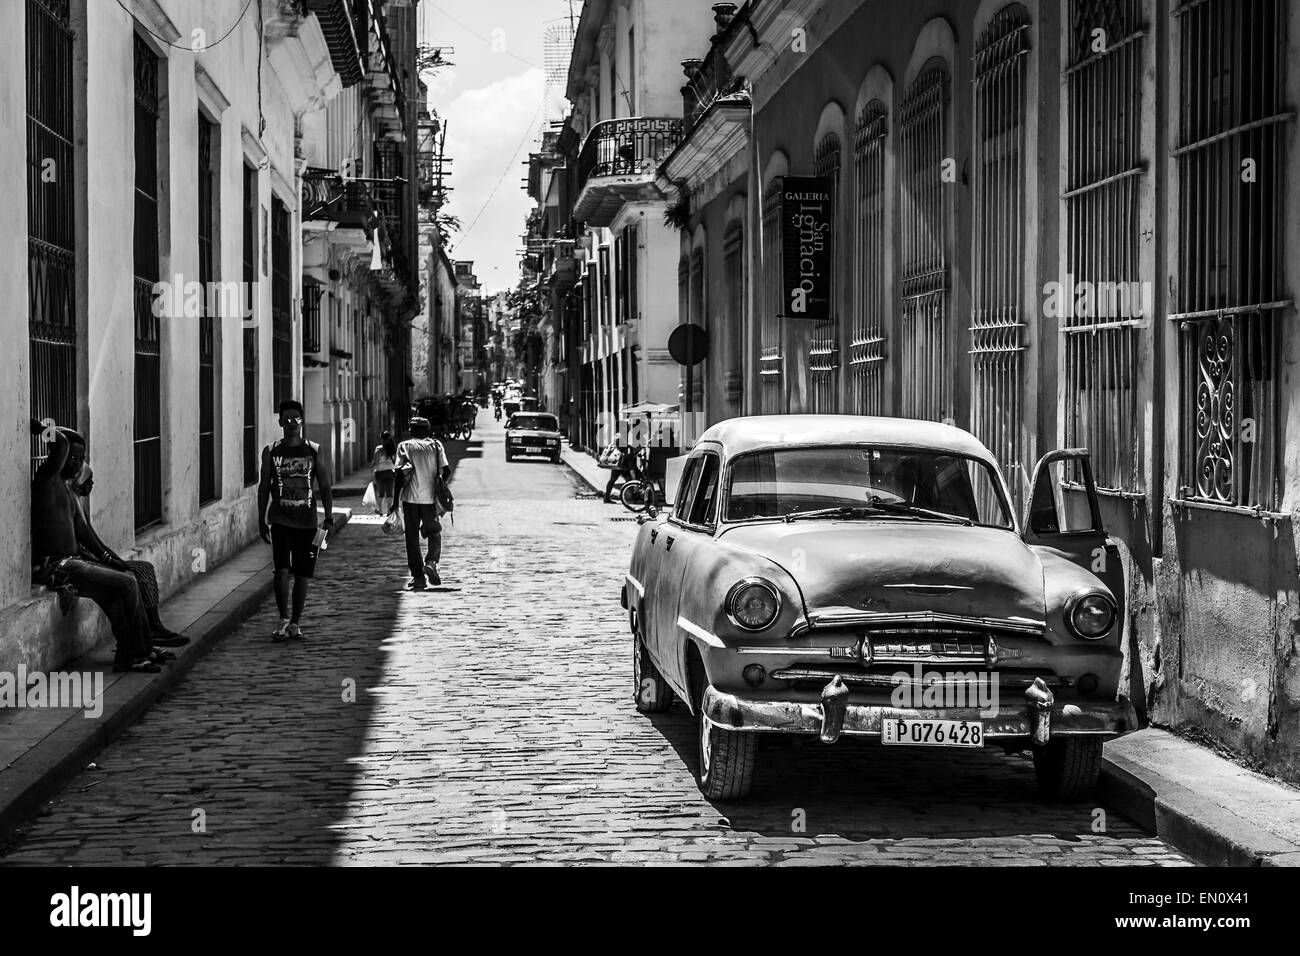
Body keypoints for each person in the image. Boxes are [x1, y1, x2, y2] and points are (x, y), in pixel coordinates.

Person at [29, 419, 165, 673]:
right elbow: (61, 442)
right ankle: (135, 655)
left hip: (75, 563)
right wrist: (36, 426)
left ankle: (138, 650)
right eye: (72, 459)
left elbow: (87, 535)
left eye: (81, 459)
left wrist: (114, 562)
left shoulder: (69, 492)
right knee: (127, 584)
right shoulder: (46, 480)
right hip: (58, 566)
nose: (77, 464)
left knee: (120, 590)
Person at [68, 462, 188, 647]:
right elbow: (90, 543)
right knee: (138, 573)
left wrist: (113, 558)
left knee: (144, 569)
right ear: (81, 481)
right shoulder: (72, 504)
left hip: (94, 559)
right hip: (86, 561)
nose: (92, 484)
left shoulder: (78, 503)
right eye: (89, 480)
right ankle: (150, 630)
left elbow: (96, 540)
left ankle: (153, 625)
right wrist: (111, 561)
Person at [257, 399, 333, 642]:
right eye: (287, 420)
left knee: (303, 574)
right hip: (280, 520)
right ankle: (282, 618)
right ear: (280, 422)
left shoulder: (313, 450)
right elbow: (263, 488)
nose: (291, 424)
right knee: (280, 570)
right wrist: (261, 518)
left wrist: (329, 517)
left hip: (308, 523)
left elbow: (324, 484)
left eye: (296, 420)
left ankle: (295, 623)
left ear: (302, 422)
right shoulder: (271, 452)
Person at [390, 416, 450, 591]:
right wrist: (440, 486)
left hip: (410, 499)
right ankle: (431, 561)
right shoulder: (436, 445)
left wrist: (395, 501)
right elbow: (446, 470)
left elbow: (400, 475)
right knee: (434, 532)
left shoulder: (404, 446)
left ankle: (418, 578)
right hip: (430, 499)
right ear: (428, 430)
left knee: (412, 539)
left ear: (410, 431)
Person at [371, 431, 397, 514]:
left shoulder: (379, 449)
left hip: (380, 473)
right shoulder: (392, 448)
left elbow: (376, 462)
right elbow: (395, 461)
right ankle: (389, 510)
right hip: (390, 472)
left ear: (382, 439)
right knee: (389, 492)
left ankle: (381, 511)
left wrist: (372, 472)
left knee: (380, 492)